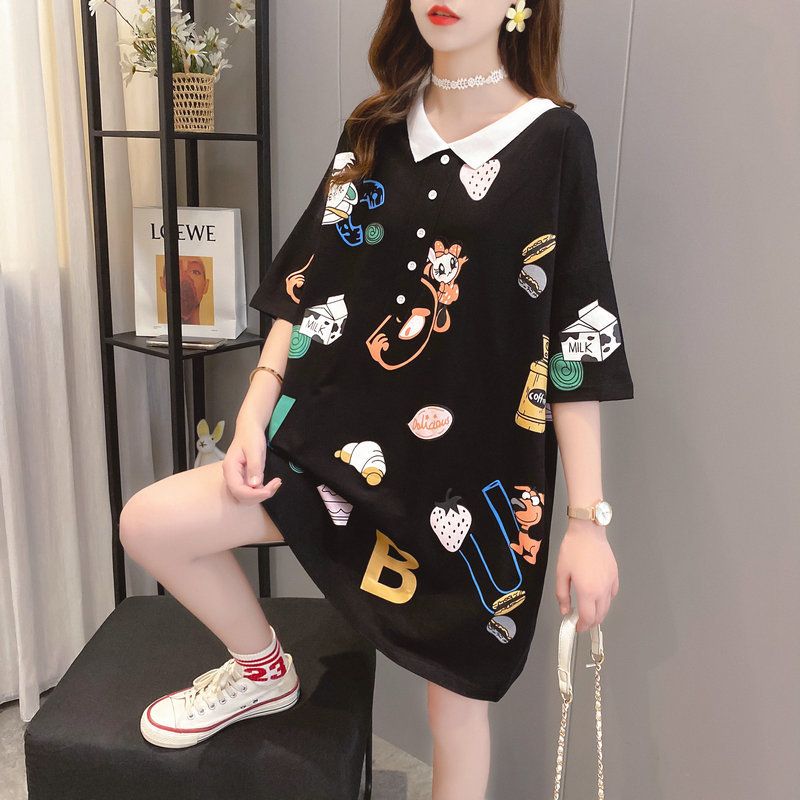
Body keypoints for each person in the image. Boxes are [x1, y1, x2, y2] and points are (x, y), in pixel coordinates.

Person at [119, 1, 634, 797]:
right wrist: (257, 404)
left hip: (476, 487)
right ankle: (262, 670)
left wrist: (587, 522)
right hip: (338, 452)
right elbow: (308, 280)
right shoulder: (376, 128)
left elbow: (575, 340)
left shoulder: (556, 142)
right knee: (150, 523)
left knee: (454, 718)